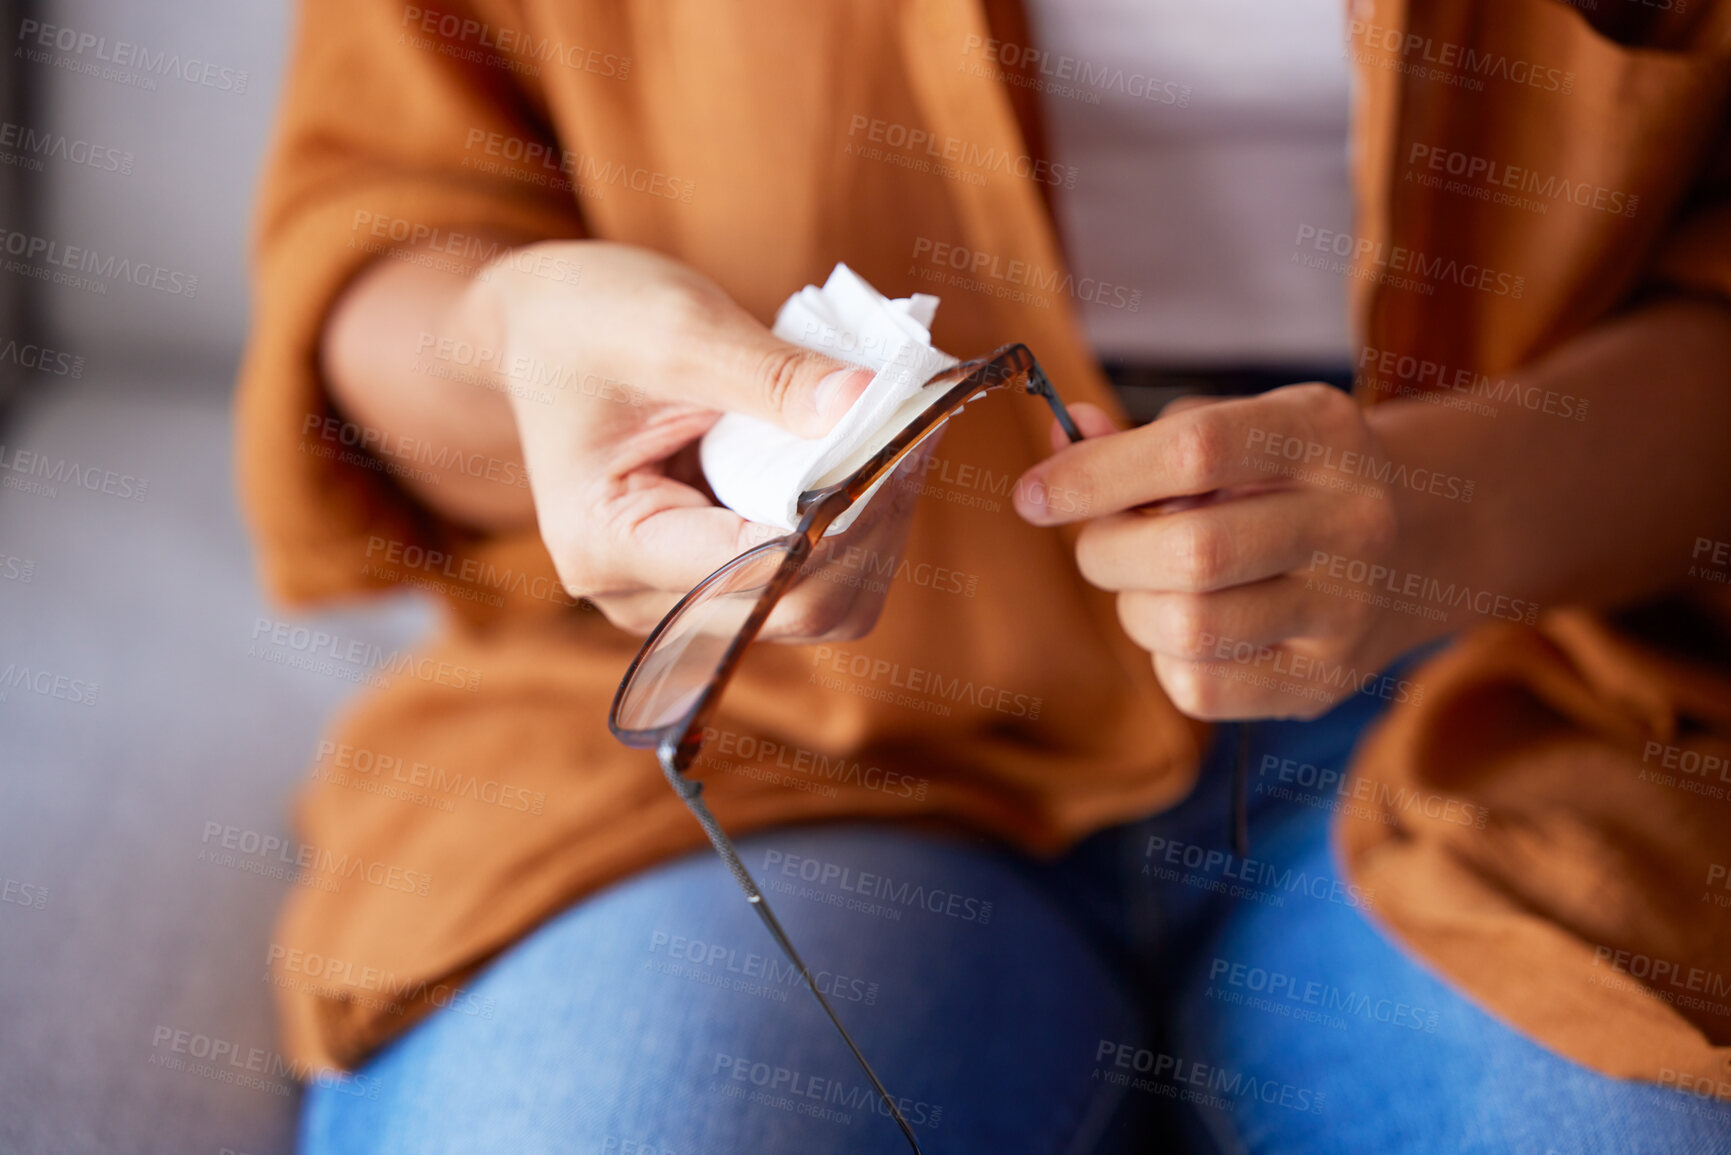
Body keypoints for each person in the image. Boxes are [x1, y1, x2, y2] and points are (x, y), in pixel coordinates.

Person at [239, 0, 1731, 1150]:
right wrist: (515, 341)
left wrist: (1461, 511)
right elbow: (384, 229)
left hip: (1539, 670)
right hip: (775, 719)